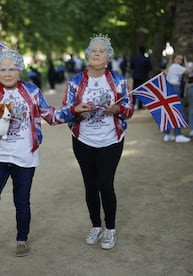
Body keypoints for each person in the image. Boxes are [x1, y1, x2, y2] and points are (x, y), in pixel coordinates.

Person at [0, 48, 87, 262]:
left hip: (24, 156)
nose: (8, 73)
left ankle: (22, 239)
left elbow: (50, 115)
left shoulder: (31, 91)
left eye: (12, 68)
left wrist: (74, 111)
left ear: (20, 70)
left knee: (22, 201)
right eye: (3, 69)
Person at [61, 34, 134, 250]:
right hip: (83, 140)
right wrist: (76, 110)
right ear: (87, 55)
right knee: (90, 185)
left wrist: (118, 109)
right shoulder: (75, 81)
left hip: (111, 140)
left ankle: (110, 229)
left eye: (102, 51)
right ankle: (96, 225)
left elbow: (129, 109)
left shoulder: (118, 80)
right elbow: (66, 111)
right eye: (93, 50)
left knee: (105, 184)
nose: (97, 54)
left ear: (108, 57)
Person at [164, 53, 193, 143]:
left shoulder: (171, 67)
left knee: (169, 112)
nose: (179, 61)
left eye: (181, 60)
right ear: (174, 59)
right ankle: (178, 135)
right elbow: (190, 71)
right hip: (175, 88)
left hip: (170, 88)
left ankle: (167, 134)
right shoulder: (176, 66)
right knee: (176, 112)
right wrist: (189, 61)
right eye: (178, 59)